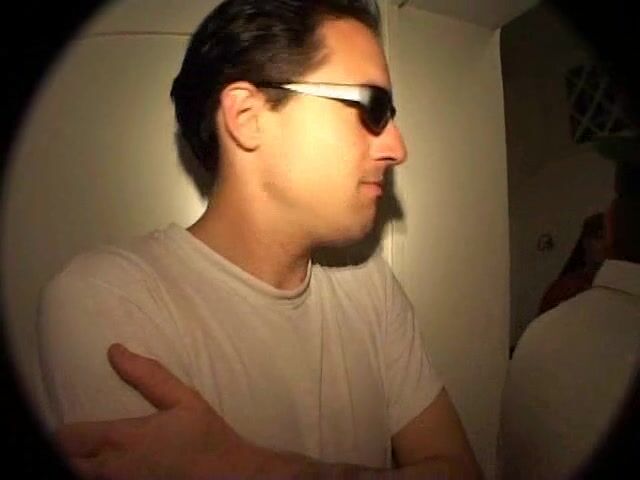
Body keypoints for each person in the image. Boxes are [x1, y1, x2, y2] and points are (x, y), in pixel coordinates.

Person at [37, 1, 482, 478]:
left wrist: (257, 470)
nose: (397, 148)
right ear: (247, 116)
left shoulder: (370, 286)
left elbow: (461, 471)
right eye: (371, 108)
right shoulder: (112, 299)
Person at [501, 158, 640, 479]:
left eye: (600, 234)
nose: (596, 244)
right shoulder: (565, 295)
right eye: (592, 236)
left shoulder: (550, 330)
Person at [538, 212, 606, 315]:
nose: (604, 245)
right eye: (599, 237)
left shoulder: (619, 286)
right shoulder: (564, 289)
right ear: (585, 242)